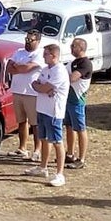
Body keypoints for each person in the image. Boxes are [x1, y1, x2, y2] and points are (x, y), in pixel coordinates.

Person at [29, 42, 69, 187]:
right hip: (42, 109)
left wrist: (43, 88)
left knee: (57, 142)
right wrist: (42, 88)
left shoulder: (60, 71)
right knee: (44, 139)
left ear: (54, 56)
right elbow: (35, 84)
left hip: (53, 112)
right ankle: (42, 167)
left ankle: (60, 174)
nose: (43, 57)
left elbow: (45, 87)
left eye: (46, 54)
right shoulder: (45, 69)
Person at [7, 29, 45, 160]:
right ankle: (22, 148)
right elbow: (9, 68)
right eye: (26, 39)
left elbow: (27, 68)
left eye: (31, 40)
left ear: (38, 41)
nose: (27, 42)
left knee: (35, 123)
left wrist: (19, 67)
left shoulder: (39, 54)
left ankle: (37, 150)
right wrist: (19, 67)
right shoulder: (18, 52)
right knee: (21, 121)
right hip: (17, 91)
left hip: (32, 93)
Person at [64, 37, 92, 170]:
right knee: (69, 126)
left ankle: (81, 158)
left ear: (81, 48)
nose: (71, 48)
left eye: (73, 46)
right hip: (68, 100)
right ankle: (70, 153)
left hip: (77, 101)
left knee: (80, 129)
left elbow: (72, 78)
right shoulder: (72, 62)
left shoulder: (85, 64)